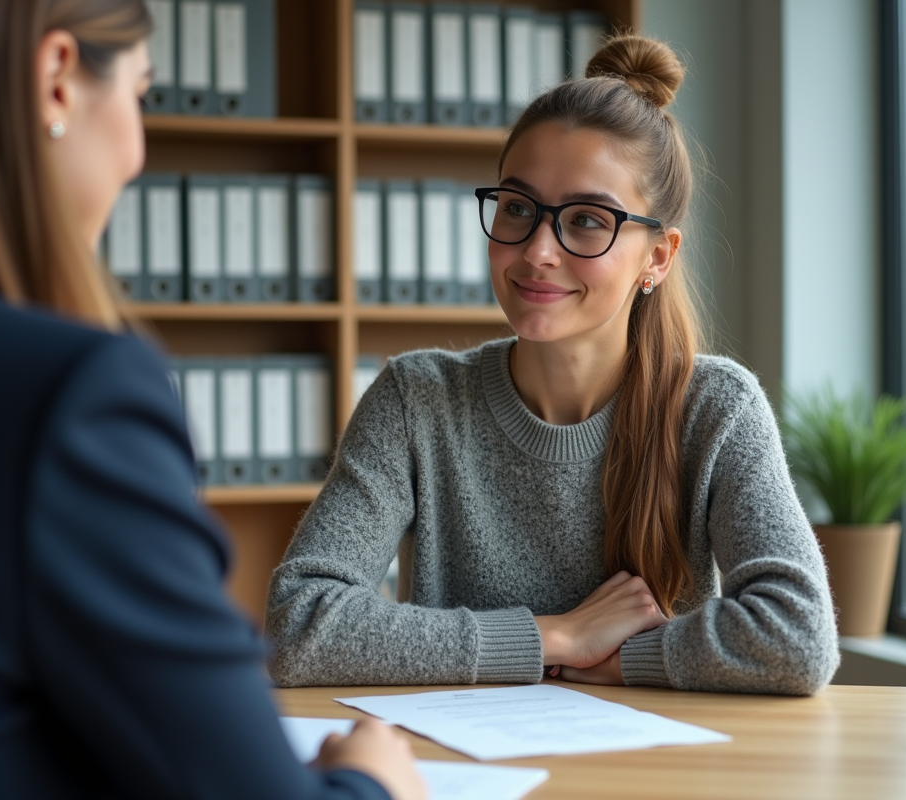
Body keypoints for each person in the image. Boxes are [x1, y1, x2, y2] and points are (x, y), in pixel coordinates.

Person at [0, 2, 423, 799]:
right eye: (141, 95)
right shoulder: (64, 395)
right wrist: (375, 782)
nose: (138, 153)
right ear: (55, 82)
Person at [265, 34, 840, 696]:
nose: (537, 250)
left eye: (587, 220)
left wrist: (622, 661)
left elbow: (798, 639)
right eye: (517, 208)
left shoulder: (716, 408)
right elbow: (297, 626)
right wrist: (555, 637)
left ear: (657, 256)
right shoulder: (415, 399)